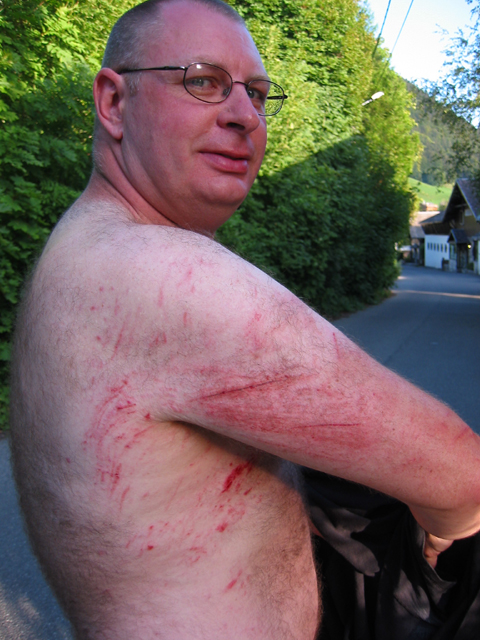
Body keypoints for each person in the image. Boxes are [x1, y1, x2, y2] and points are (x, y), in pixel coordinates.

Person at [8, 0, 480, 638]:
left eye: (256, 93)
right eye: (202, 81)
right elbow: (462, 475)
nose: (244, 115)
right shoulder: (156, 277)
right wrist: (444, 534)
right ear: (114, 102)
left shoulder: (81, 252)